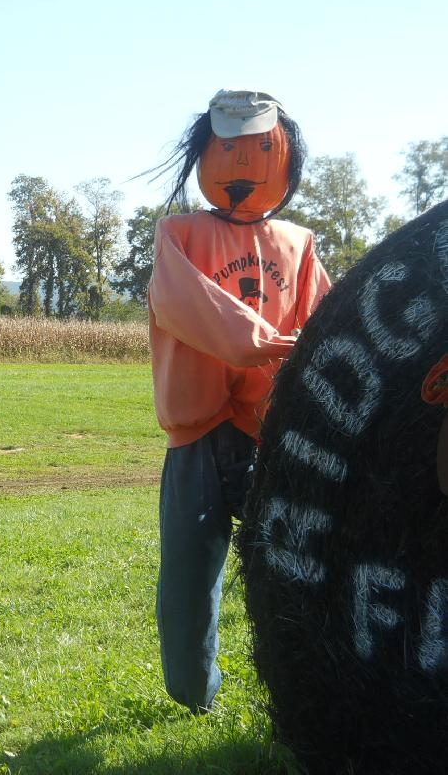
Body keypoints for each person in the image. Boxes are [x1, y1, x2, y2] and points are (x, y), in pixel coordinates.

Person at [146, 90, 332, 713]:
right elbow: (186, 304)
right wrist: (266, 342)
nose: (242, 165)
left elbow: (326, 327)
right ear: (204, 153)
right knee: (189, 576)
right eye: (226, 148)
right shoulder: (178, 235)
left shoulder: (299, 246)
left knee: (290, 564)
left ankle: (303, 687)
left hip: (270, 431)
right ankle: (195, 694)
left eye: (258, 147)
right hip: (197, 427)